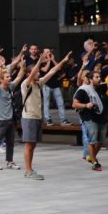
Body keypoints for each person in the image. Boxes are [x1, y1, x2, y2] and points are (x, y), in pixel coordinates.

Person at [21, 51, 71, 180]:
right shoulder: (25, 84)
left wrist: (63, 61)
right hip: (29, 118)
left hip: (37, 117)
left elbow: (52, 71)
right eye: (36, 72)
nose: (39, 73)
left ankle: (30, 169)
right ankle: (28, 171)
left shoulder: (39, 83)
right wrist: (39, 61)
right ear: (29, 74)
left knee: (33, 145)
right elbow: (33, 73)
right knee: (29, 144)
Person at [0, 64, 25, 170]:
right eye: (7, 77)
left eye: (9, 77)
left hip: (10, 120)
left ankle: (9, 161)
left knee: (10, 142)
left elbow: (19, 77)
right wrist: (0, 68)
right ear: (2, 80)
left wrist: (23, 66)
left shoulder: (10, 87)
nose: (10, 78)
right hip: (0, 120)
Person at [72, 71, 106, 171]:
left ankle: (91, 157)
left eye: (100, 76)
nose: (99, 78)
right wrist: (86, 105)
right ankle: (95, 162)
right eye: (96, 77)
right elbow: (74, 104)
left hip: (102, 118)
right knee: (92, 140)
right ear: (90, 79)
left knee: (101, 141)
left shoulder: (101, 88)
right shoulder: (84, 90)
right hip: (90, 118)